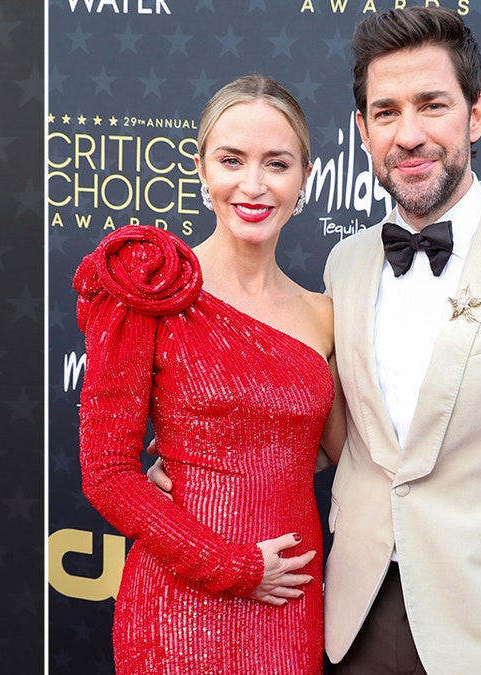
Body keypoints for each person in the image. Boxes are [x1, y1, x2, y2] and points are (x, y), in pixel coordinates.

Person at [154, 7, 481, 673]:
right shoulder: (344, 267)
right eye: (385, 112)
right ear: (362, 130)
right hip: (351, 625)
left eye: (432, 105)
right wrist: (203, 465)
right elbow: (332, 438)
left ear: (476, 114)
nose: (409, 134)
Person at [73, 75, 345, 674]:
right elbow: (107, 475)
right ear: (200, 169)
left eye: (277, 163)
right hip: (179, 611)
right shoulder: (151, 285)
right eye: (231, 160)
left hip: (289, 605)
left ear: (304, 178)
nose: (253, 185)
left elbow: (349, 458)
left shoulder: (326, 314)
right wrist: (233, 565)